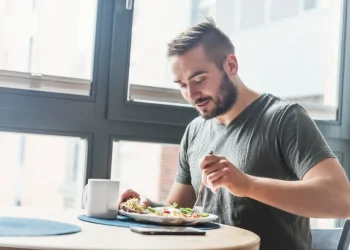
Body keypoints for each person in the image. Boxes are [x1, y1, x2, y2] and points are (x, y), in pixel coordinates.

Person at [119, 18, 350, 250]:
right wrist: (148, 207)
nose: (192, 94)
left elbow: (342, 200)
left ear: (231, 65)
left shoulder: (285, 118)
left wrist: (248, 185)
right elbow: (178, 210)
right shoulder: (195, 130)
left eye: (199, 80)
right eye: (182, 85)